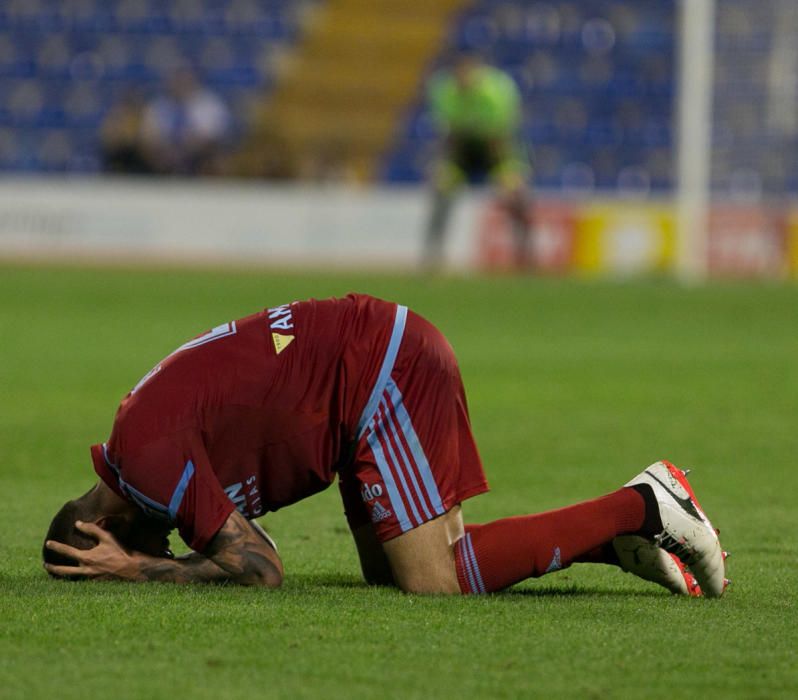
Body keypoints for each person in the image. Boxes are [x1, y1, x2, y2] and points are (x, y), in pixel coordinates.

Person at [43, 294, 728, 596]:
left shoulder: (151, 464)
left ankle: (640, 506)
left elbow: (259, 570)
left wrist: (137, 572)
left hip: (379, 373)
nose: (166, 548)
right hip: (361, 382)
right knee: (395, 573)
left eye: (135, 546)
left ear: (102, 525)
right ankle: (610, 544)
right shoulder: (139, 444)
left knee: (435, 582)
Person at [424, 53, 534, 270]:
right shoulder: (445, 92)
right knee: (440, 189)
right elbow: (449, 136)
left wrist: (506, 174)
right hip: (463, 150)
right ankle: (433, 257)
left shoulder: (495, 92)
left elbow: (502, 136)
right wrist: (444, 167)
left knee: (516, 195)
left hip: (494, 149)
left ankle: (525, 257)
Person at [140, 66, 232, 175]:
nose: (181, 84)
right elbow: (148, 136)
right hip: (162, 159)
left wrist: (187, 147)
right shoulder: (158, 105)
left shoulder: (210, 104)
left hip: (200, 158)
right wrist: (166, 149)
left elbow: (215, 136)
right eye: (178, 80)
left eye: (185, 80)